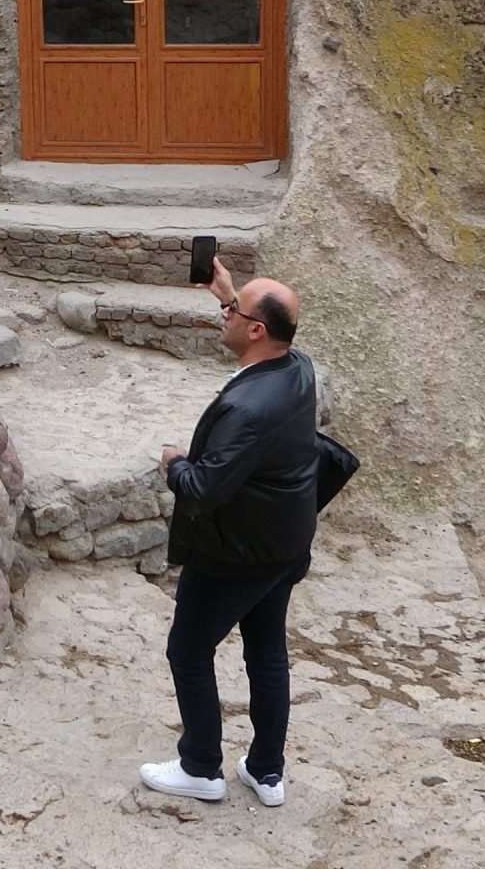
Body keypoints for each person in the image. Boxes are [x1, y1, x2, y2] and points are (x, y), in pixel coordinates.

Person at [139, 258, 319, 808]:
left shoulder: (247, 409)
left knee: (188, 650)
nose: (226, 315)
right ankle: (266, 771)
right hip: (284, 543)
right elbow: (256, 326)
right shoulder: (298, 367)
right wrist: (226, 293)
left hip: (234, 554)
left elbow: (203, 490)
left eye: (234, 312)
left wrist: (174, 462)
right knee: (266, 653)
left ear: (257, 330)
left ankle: (200, 768)